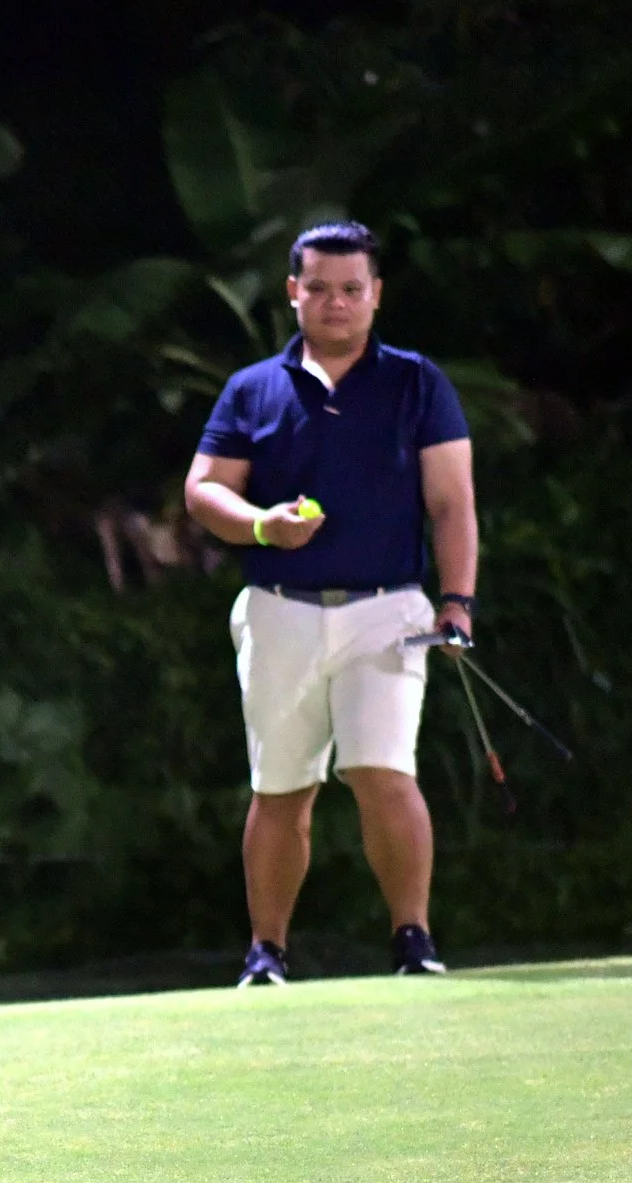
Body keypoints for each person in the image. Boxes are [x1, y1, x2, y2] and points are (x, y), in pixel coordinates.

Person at [182, 221, 481, 985]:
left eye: (352, 288)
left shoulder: (418, 382)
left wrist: (457, 604)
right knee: (281, 788)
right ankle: (267, 951)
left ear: (376, 295)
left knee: (384, 771)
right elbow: (203, 489)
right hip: (279, 605)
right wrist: (260, 525)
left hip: (389, 609)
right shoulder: (253, 387)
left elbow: (452, 504)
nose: (336, 302)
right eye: (318, 287)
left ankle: (413, 938)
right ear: (293, 292)